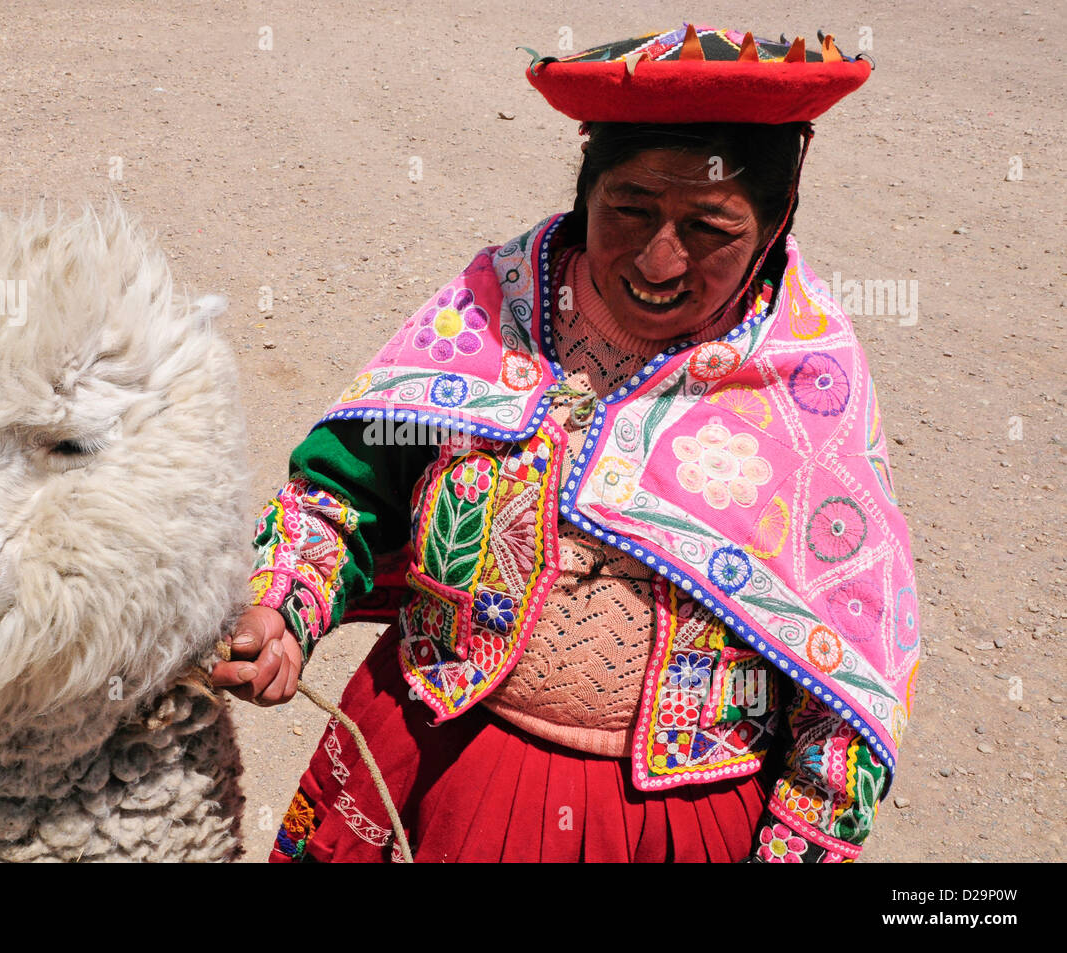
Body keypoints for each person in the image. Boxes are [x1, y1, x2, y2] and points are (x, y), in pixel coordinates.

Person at [213, 23, 920, 863]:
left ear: (772, 228)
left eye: (709, 227)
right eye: (630, 208)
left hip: (661, 824)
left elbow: (844, 657)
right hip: (430, 752)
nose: (659, 260)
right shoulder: (493, 314)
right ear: (588, 192)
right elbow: (345, 493)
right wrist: (282, 610)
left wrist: (807, 840)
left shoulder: (806, 388)